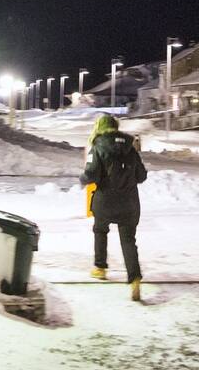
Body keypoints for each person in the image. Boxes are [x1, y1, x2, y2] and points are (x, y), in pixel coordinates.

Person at [80, 113, 148, 301]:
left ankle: (100, 268)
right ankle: (134, 278)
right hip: (129, 203)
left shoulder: (98, 145)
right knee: (128, 241)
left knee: (100, 230)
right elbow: (141, 176)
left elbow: (91, 173)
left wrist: (83, 179)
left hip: (105, 200)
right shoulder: (130, 147)